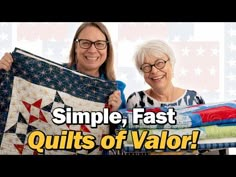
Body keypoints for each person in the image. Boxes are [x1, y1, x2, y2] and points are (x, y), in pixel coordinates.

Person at [0, 22, 126, 135]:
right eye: (85, 43)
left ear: (107, 49)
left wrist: (115, 115)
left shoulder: (115, 92)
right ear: (75, 47)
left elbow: (123, 140)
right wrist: (3, 73)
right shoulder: (50, 76)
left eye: (99, 44)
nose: (92, 50)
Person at [126, 39, 226, 155]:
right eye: (146, 67)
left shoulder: (194, 99)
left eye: (159, 63)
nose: (154, 70)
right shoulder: (136, 101)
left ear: (171, 63)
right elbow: (130, 145)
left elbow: (204, 143)